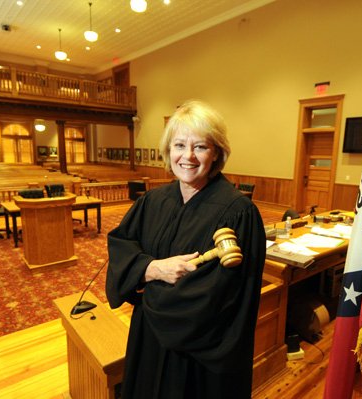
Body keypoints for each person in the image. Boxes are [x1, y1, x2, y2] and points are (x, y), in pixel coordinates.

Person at [106, 100, 266, 398]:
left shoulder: (238, 213)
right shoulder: (153, 201)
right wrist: (150, 269)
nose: (188, 156)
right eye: (179, 145)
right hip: (149, 340)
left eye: (200, 147)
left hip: (200, 354)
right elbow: (121, 244)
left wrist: (144, 290)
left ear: (217, 152)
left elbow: (221, 296)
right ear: (168, 152)